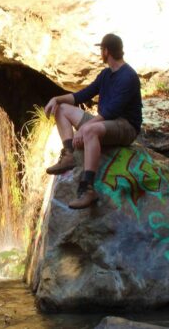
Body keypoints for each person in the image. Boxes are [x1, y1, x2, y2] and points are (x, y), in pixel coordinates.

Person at [44, 34, 142, 209]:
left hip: (125, 126)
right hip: (105, 122)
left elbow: (111, 111)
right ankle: (69, 156)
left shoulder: (128, 76)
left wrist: (84, 128)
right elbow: (82, 95)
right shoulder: (106, 74)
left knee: (90, 131)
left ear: (107, 51)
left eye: (101, 50)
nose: (100, 53)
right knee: (62, 109)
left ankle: (87, 188)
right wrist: (56, 99)